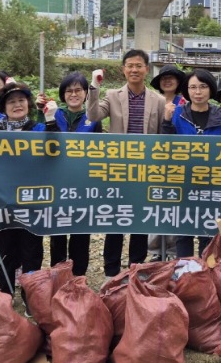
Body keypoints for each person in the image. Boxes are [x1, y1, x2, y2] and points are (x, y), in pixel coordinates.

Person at [86, 49, 166, 279]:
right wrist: (94, 86)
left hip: (145, 169)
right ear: (123, 69)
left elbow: (163, 134)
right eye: (130, 65)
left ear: (146, 69)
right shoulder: (112, 96)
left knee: (140, 220)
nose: (134, 69)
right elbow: (93, 116)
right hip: (118, 169)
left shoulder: (158, 100)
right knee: (115, 219)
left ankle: (136, 269)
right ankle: (111, 271)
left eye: (138, 65)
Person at [0, 81, 59, 296]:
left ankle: (32, 298)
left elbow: (56, 149)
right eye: (11, 101)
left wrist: (51, 119)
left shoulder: (38, 128)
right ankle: (5, 296)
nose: (17, 105)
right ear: (3, 106)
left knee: (32, 250)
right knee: (5, 250)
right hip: (3, 200)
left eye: (21, 100)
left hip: (33, 200)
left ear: (28, 103)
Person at [162, 69, 221, 258]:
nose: (198, 92)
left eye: (203, 86)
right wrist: (166, 121)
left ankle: (205, 270)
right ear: (187, 90)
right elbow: (165, 146)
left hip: (212, 181)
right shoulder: (177, 113)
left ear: (211, 89)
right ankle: (185, 269)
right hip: (183, 181)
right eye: (193, 87)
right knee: (183, 231)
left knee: (208, 230)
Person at [50, 72, 102, 276]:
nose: (73, 94)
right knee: (57, 231)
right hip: (57, 182)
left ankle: (78, 276)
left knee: (81, 231)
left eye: (78, 90)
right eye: (69, 90)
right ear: (63, 94)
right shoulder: (54, 114)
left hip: (83, 183)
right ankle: (58, 274)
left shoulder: (93, 118)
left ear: (85, 93)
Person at [147, 64, 186, 261]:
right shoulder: (153, 101)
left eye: (172, 78)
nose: (167, 81)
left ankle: (171, 251)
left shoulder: (184, 103)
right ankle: (155, 251)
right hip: (154, 157)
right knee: (154, 202)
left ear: (178, 82)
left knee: (174, 203)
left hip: (178, 159)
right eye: (164, 78)